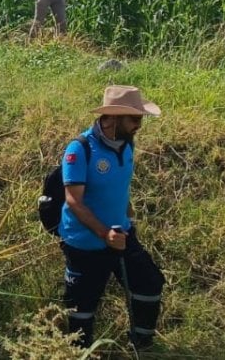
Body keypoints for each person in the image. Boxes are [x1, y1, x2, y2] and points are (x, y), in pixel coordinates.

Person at [59, 85, 165, 350]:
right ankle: (79, 353)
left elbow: (118, 186)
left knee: (150, 283)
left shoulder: (126, 145)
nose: (139, 126)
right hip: (86, 242)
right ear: (113, 118)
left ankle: (141, 344)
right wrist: (104, 233)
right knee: (82, 307)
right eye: (135, 119)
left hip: (122, 234)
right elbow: (73, 201)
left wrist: (127, 213)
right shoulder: (80, 149)